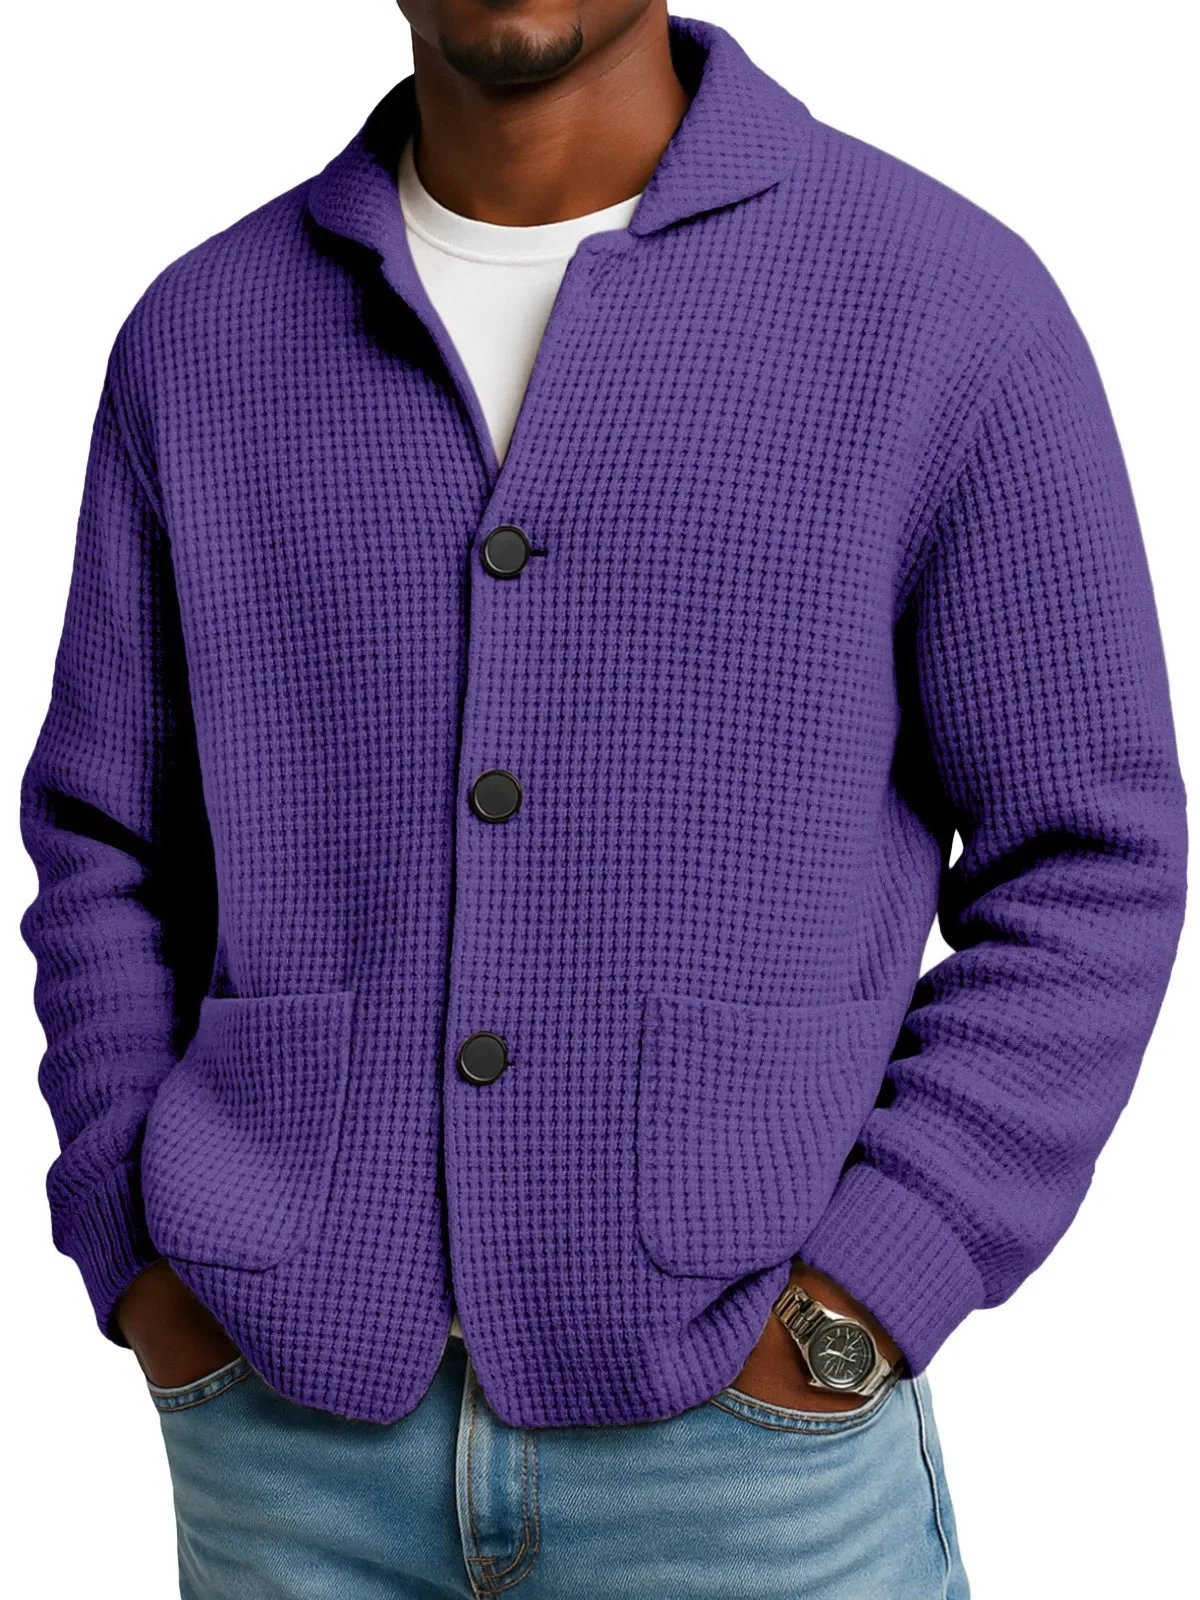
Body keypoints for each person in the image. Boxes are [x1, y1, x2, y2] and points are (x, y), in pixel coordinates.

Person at [19, 3, 1186, 1596]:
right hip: (285, 1448)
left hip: (748, 1462)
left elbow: (1089, 858)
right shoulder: (203, 335)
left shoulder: (941, 303)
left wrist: (872, 1288)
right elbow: (106, 839)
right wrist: (137, 1255)